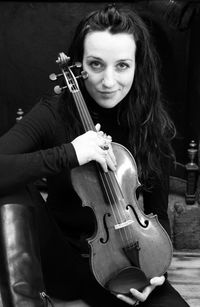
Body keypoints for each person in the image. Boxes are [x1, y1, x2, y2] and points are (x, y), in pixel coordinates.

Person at [0, 3, 189, 307]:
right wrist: (71, 152)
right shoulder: (54, 113)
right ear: (79, 63)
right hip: (63, 260)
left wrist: (156, 277)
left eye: (122, 66)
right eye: (96, 64)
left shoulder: (149, 123)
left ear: (138, 66)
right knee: (9, 185)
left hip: (125, 261)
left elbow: (158, 216)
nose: (109, 82)